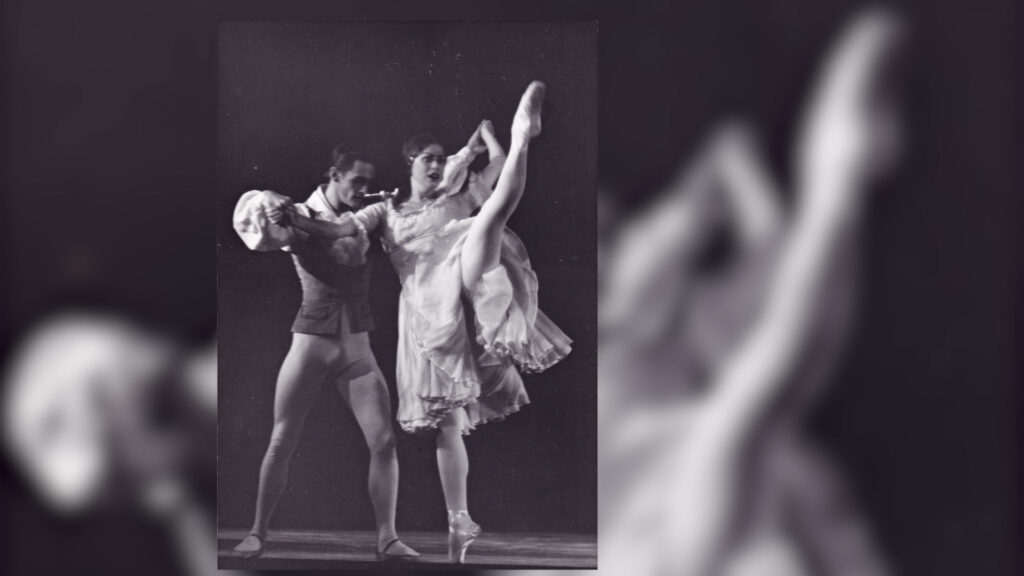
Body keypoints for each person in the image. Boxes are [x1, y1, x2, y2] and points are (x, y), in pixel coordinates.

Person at [275, 81, 572, 563]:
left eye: (440, 157)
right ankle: (459, 522)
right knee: (447, 424)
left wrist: (493, 138)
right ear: (410, 164)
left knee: (489, 217)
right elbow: (335, 228)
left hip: (464, 279)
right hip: (427, 317)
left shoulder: (457, 198)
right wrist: (297, 219)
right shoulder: (385, 212)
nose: (436, 165)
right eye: (427, 159)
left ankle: (524, 134)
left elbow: (493, 173)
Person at [230, 148, 419, 561]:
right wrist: (267, 193)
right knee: (282, 438)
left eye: (370, 183)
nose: (364, 190)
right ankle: (257, 532)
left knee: (384, 441)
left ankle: (387, 538)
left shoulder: (365, 216)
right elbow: (258, 230)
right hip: (311, 345)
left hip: (357, 348)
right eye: (358, 182)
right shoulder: (296, 212)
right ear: (334, 174)